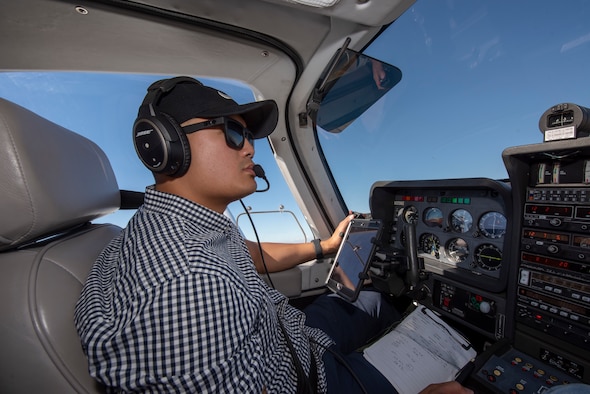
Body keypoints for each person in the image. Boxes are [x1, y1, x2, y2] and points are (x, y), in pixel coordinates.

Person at [75, 76, 473, 393]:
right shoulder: (185, 283)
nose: (250, 149)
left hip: (290, 339)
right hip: (310, 379)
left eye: (248, 136)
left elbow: (246, 253)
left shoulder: (180, 227)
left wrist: (327, 246)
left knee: (371, 295)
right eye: (232, 132)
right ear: (164, 145)